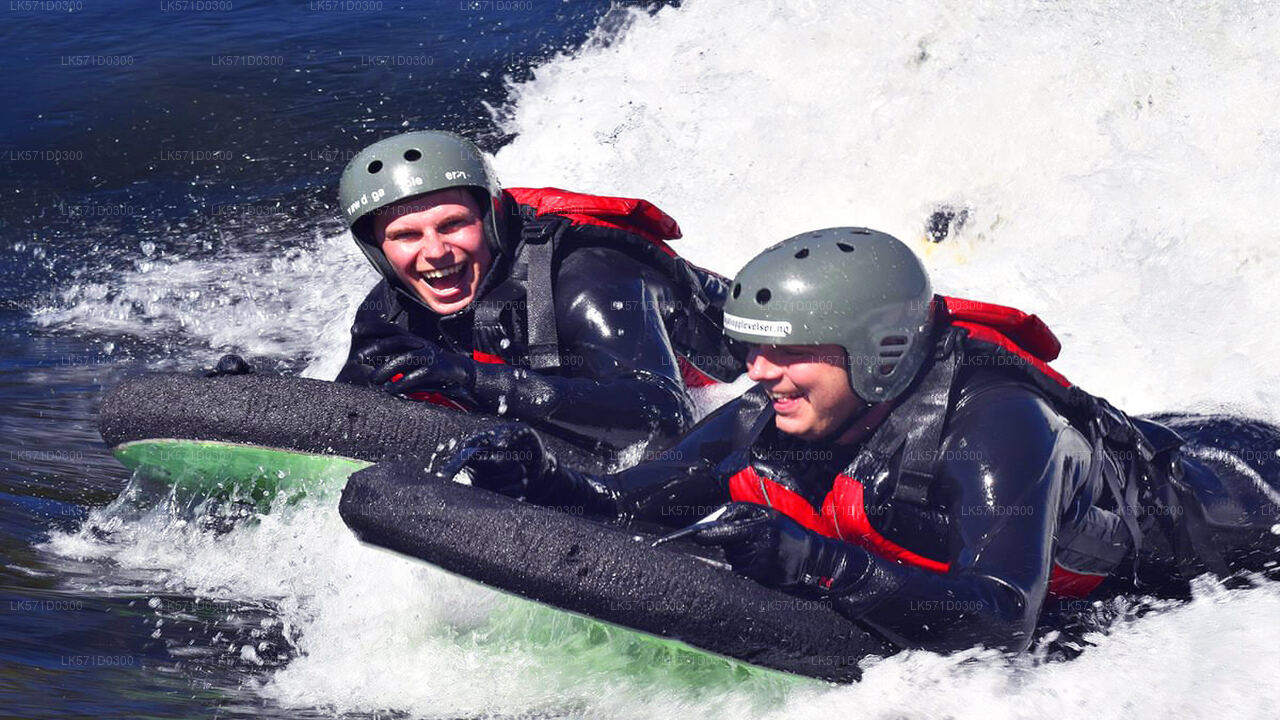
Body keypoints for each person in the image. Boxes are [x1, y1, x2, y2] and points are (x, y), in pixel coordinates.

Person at [438, 227, 1280, 654]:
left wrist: (819, 563)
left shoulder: (996, 430)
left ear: (875, 354)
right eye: (751, 348)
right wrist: (538, 472)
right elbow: (627, 503)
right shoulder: (773, 419)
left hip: (1239, 508)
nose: (757, 372)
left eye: (788, 350)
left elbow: (999, 626)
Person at [331, 130, 740, 453]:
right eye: (406, 235)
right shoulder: (389, 310)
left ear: (490, 220)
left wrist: (474, 379)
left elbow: (665, 417)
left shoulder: (587, 279)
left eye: (453, 224)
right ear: (377, 251)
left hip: (744, 384)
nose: (435, 252)